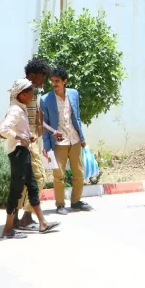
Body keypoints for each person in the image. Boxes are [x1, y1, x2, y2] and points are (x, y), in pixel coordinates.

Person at [0, 79, 59, 239]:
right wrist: (19, 137)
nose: (33, 94)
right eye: (31, 91)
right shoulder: (15, 110)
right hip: (18, 153)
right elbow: (2, 129)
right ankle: (8, 229)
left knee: (32, 187)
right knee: (16, 190)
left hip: (24, 151)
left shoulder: (21, 109)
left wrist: (27, 137)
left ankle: (43, 223)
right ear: (23, 95)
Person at [41, 66, 93, 215]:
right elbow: (44, 124)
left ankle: (76, 201)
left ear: (65, 81)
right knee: (59, 175)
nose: (54, 84)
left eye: (57, 81)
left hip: (75, 139)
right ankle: (60, 204)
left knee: (79, 172)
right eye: (52, 81)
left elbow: (76, 117)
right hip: (58, 142)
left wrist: (82, 138)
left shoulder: (74, 94)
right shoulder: (45, 99)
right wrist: (46, 146)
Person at [14, 58, 52, 231]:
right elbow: (16, 115)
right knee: (38, 177)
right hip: (23, 141)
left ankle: (21, 217)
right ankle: (25, 217)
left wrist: (41, 132)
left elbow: (36, 116)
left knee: (25, 180)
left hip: (31, 141)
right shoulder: (22, 90)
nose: (43, 81)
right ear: (32, 75)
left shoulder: (33, 91)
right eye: (41, 77)